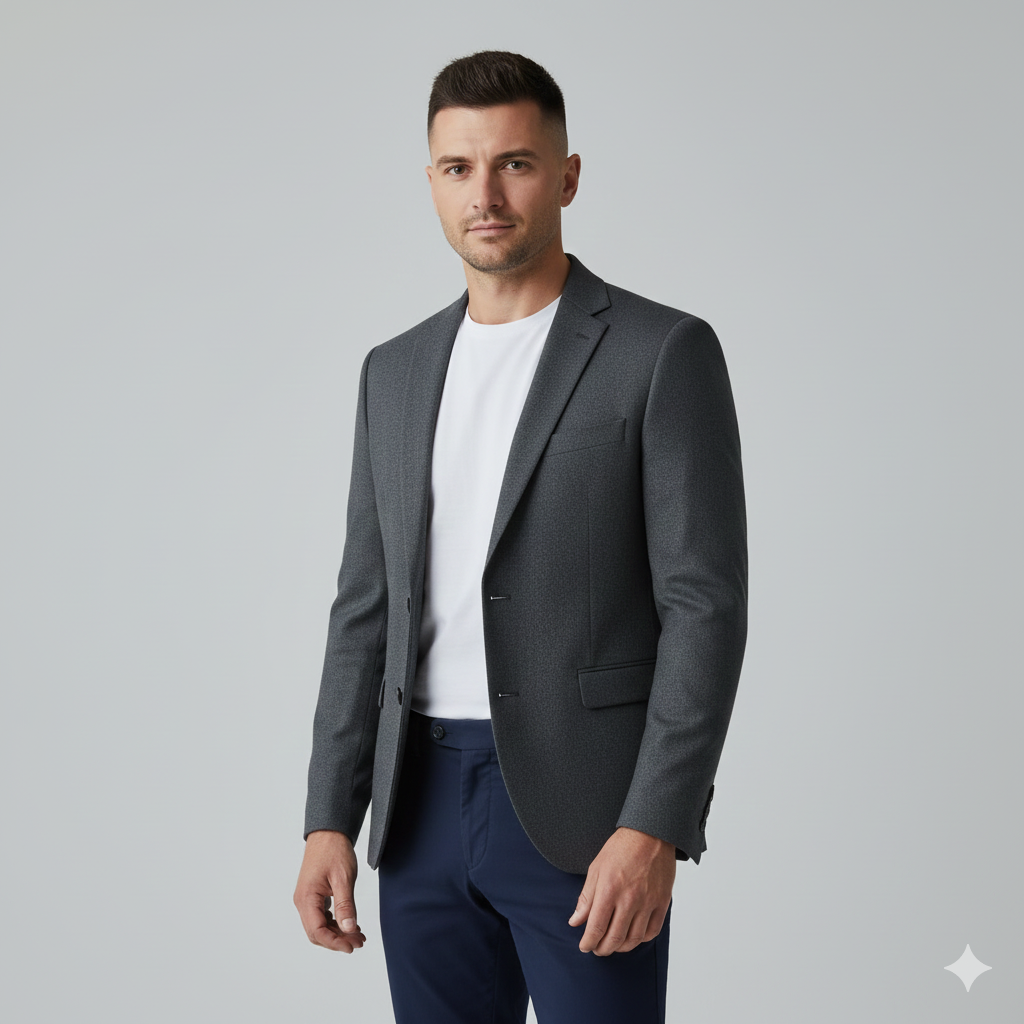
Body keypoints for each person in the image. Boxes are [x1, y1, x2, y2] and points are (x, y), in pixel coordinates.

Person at [293, 50, 747, 1024]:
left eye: (515, 164)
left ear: (567, 176)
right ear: (430, 181)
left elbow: (703, 607)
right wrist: (330, 814)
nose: (486, 195)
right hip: (416, 808)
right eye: (459, 168)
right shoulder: (393, 371)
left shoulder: (660, 352)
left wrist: (655, 822)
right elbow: (363, 607)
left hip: (587, 811)